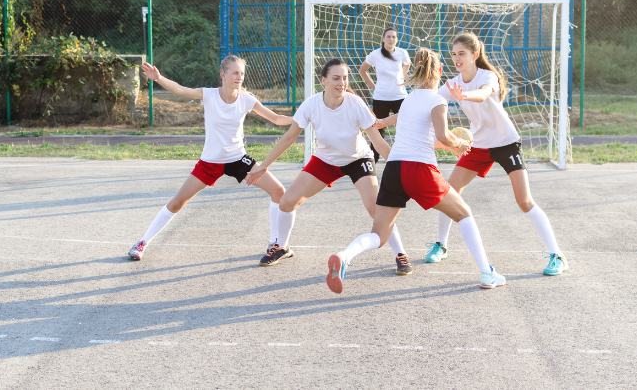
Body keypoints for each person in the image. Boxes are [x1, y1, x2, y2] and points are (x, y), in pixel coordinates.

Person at [326, 48, 506, 294]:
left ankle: (344, 256)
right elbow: (443, 135)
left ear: (416, 71)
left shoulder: (409, 100)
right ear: (439, 71)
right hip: (419, 169)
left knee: (379, 235)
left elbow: (416, 132)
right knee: (464, 214)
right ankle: (487, 272)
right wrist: (458, 143)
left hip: (394, 169)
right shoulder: (437, 101)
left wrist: (384, 122)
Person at [246, 58, 413, 274]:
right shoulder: (311, 105)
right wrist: (263, 165)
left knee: (376, 209)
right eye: (336, 78)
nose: (341, 83)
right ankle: (281, 247)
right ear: (323, 80)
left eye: (344, 78)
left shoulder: (355, 104)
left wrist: (401, 167)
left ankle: (400, 254)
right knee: (287, 202)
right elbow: (288, 138)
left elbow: (378, 142)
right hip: (326, 161)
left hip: (358, 159)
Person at [426, 32, 568, 276]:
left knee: (524, 201)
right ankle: (441, 244)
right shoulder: (453, 83)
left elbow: (483, 93)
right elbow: (429, 102)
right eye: (454, 54)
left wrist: (464, 96)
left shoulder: (487, 76)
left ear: (474, 54)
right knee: (449, 192)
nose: (457, 59)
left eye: (462, 54)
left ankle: (557, 255)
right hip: (478, 144)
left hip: (506, 142)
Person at [127, 55, 294, 260]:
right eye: (235, 73)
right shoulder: (209, 95)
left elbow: (276, 119)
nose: (239, 77)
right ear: (223, 74)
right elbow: (180, 90)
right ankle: (142, 242)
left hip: (238, 159)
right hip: (210, 162)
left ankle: (276, 243)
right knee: (178, 202)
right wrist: (158, 78)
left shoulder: (247, 99)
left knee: (278, 191)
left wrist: (300, 118)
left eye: (242, 73)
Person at [358, 27, 411, 162]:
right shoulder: (375, 54)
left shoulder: (402, 53)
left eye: (394, 37)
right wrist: (373, 86)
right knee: (378, 130)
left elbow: (407, 64)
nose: (391, 39)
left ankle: (405, 158)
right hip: (381, 98)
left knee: (405, 128)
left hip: (400, 97)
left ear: (397, 39)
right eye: (388, 36)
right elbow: (362, 70)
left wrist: (402, 77)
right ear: (383, 39)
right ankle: (372, 161)